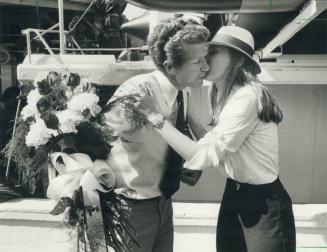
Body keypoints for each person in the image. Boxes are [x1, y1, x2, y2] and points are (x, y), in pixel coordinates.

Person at [137, 25, 296, 252]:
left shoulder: (247, 97)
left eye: (214, 52)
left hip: (263, 202)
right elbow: (217, 143)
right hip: (234, 194)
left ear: (239, 61)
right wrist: (189, 114)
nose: (206, 57)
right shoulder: (219, 91)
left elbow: (204, 156)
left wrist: (155, 118)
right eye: (206, 52)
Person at [104, 17, 210, 252]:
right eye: (197, 61)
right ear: (170, 65)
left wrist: (181, 166)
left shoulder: (182, 94)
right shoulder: (136, 92)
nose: (206, 67)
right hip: (132, 208)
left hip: (163, 203)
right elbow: (99, 144)